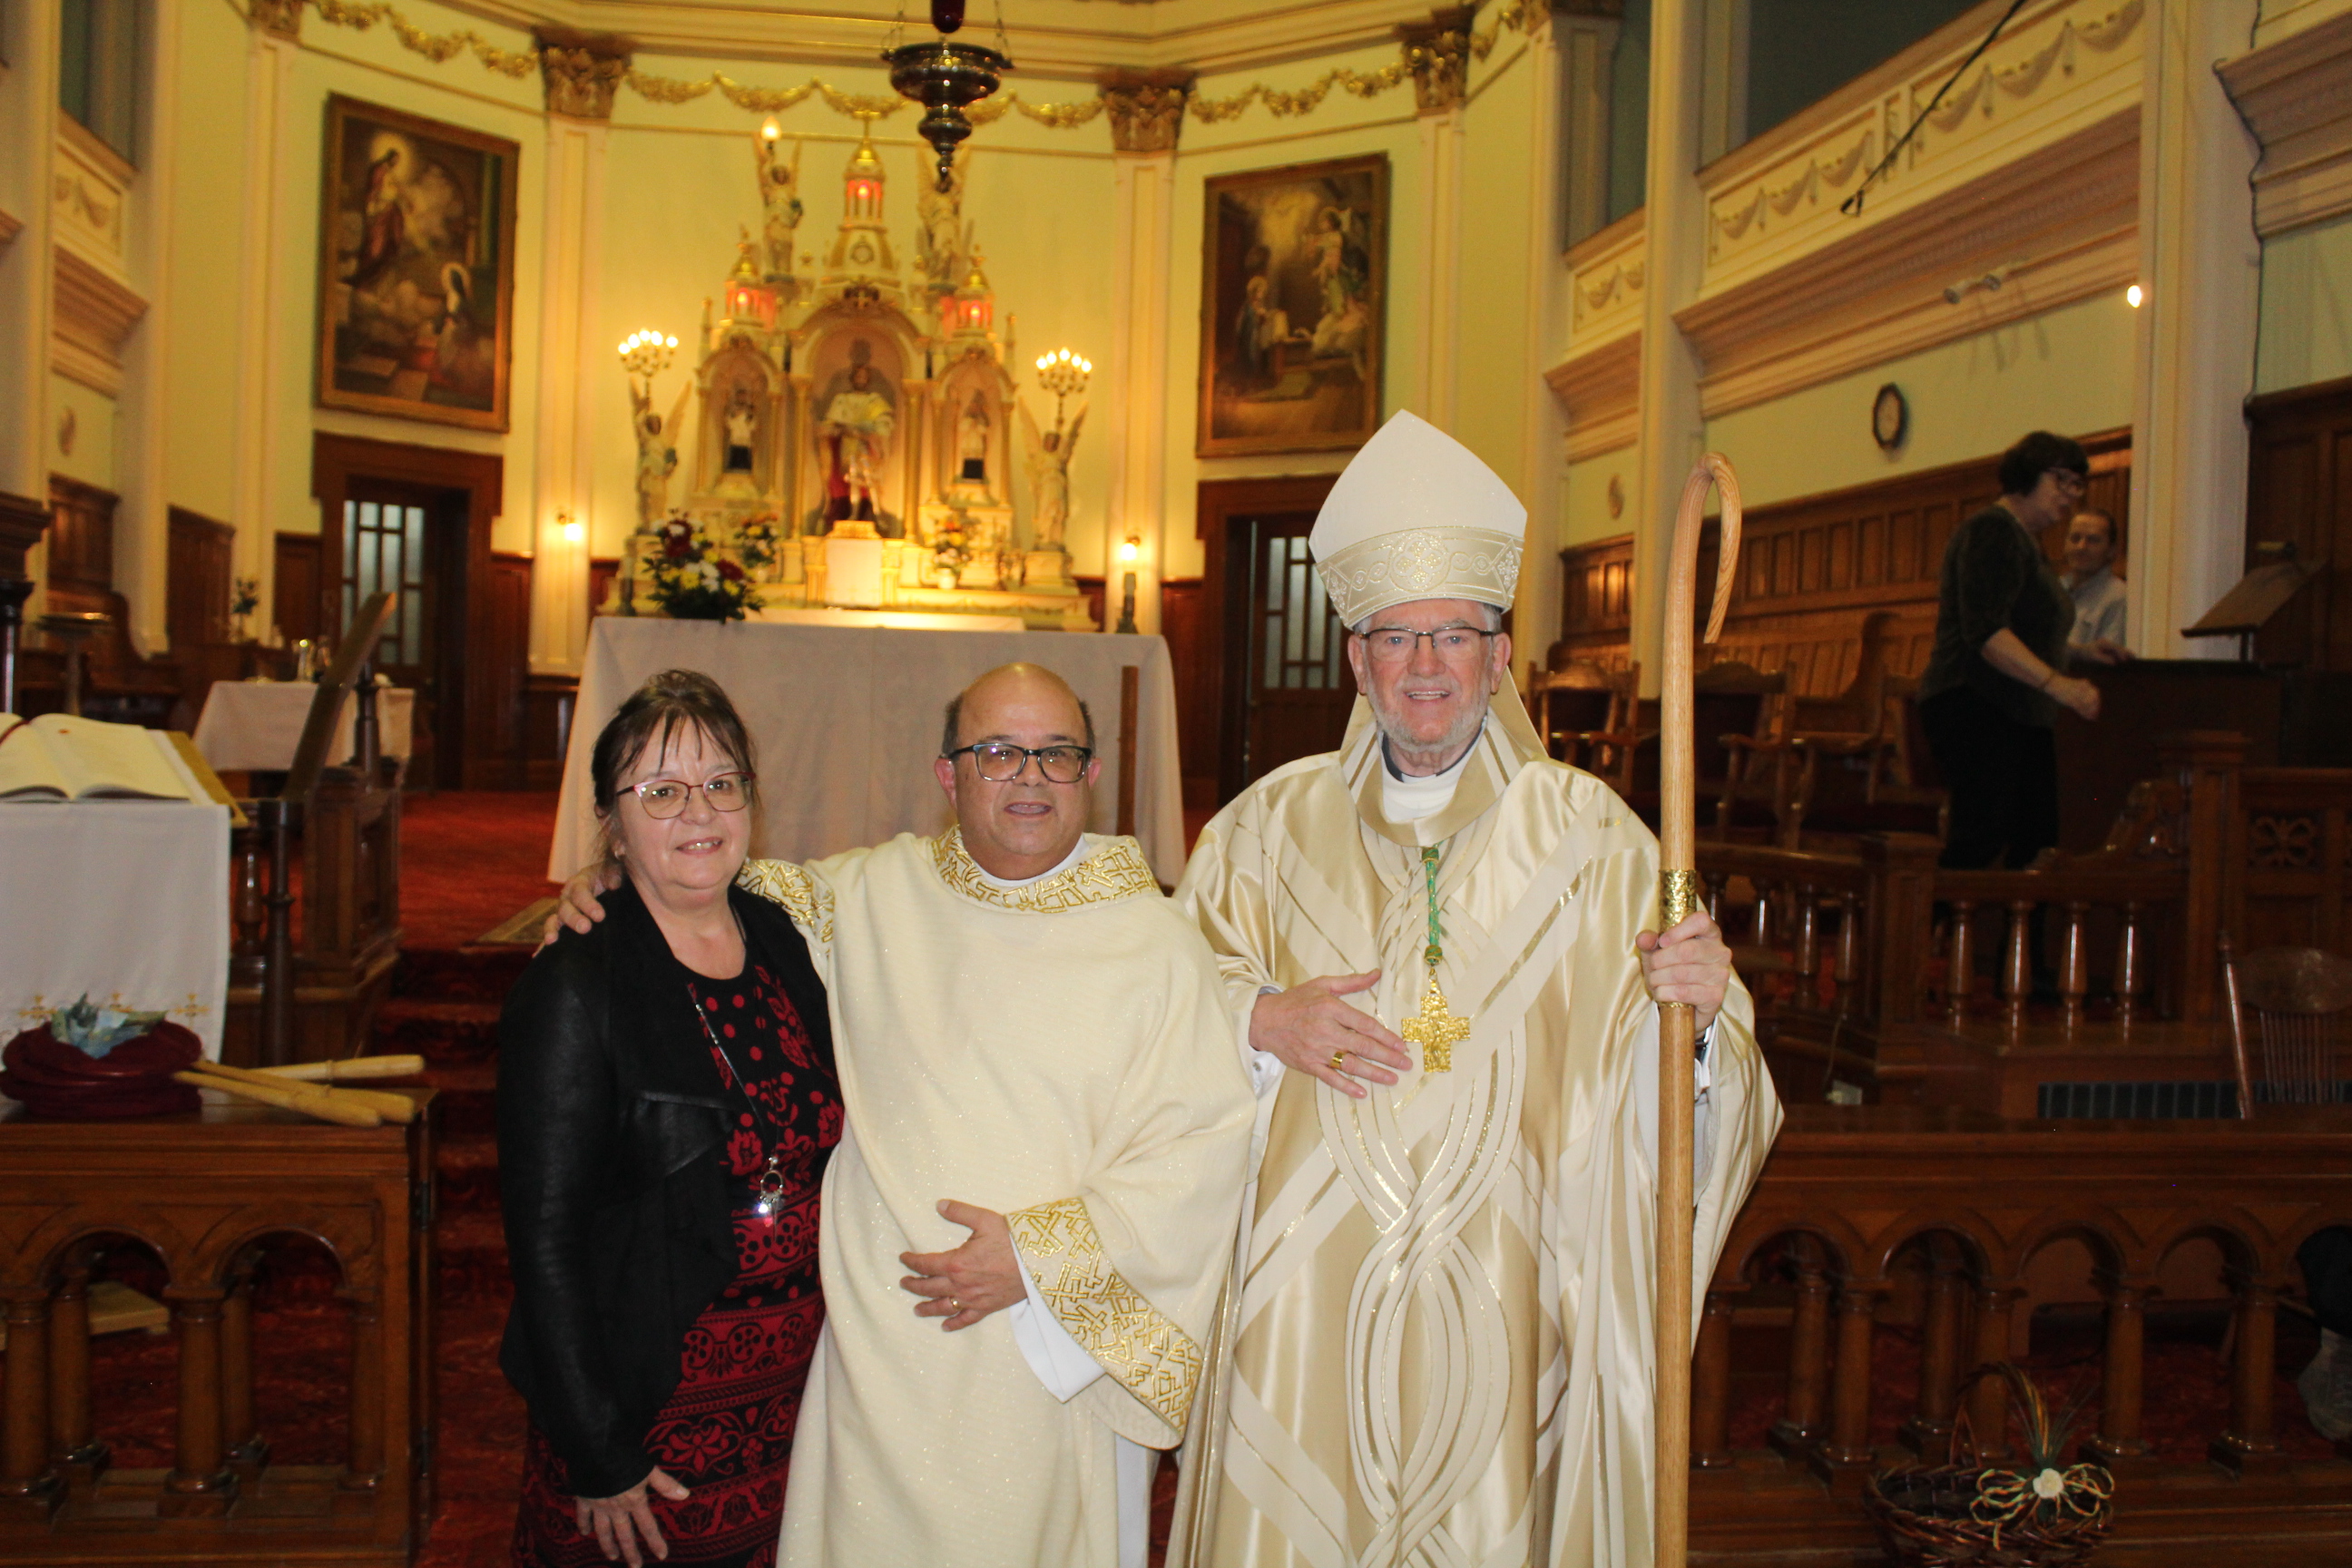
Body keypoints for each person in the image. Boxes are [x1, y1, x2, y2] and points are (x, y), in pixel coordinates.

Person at [1165, 410, 1783, 1568]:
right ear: (1357, 658)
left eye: (1457, 635)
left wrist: (1696, 1021)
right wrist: (1253, 1018)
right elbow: (1151, 1022)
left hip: (1513, 1308)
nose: (1429, 668)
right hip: (1300, 1327)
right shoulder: (1259, 833)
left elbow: (1683, 1104)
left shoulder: (1595, 842)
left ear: (1502, 656)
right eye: (1398, 639)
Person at [551, 663, 1256, 1568]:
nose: (1030, 779)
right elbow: (707, 879)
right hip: (879, 1357)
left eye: (1056, 755)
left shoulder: (1156, 941)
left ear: (1091, 775)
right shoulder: (870, 895)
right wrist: (606, 878)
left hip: (1042, 1354)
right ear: (947, 775)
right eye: (999, 754)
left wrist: (1042, 1259)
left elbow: (1204, 1147)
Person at [502, 671, 840, 1568]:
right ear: (612, 822)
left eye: (722, 783)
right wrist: (599, 1448)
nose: (700, 811)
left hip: (788, 1392)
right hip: (651, 1391)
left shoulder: (782, 937)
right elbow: (544, 1239)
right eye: (661, 791)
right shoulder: (574, 982)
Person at [1916, 430, 2105, 871]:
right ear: (2026, 474)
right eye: (2061, 481)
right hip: (1975, 702)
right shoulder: (1991, 531)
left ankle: (2015, 943)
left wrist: (2080, 653)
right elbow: (1985, 632)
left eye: (2078, 486)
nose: (2070, 496)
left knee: (2035, 841)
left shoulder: (2027, 542)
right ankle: (1921, 932)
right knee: (1984, 834)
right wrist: (2059, 685)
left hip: (2015, 708)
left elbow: (2028, 631)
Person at [2063, 507, 2131, 662]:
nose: (2081, 547)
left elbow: (2108, 660)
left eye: (2093, 540)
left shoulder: (2119, 597)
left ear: (2111, 550)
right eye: (2075, 538)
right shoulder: (2051, 590)